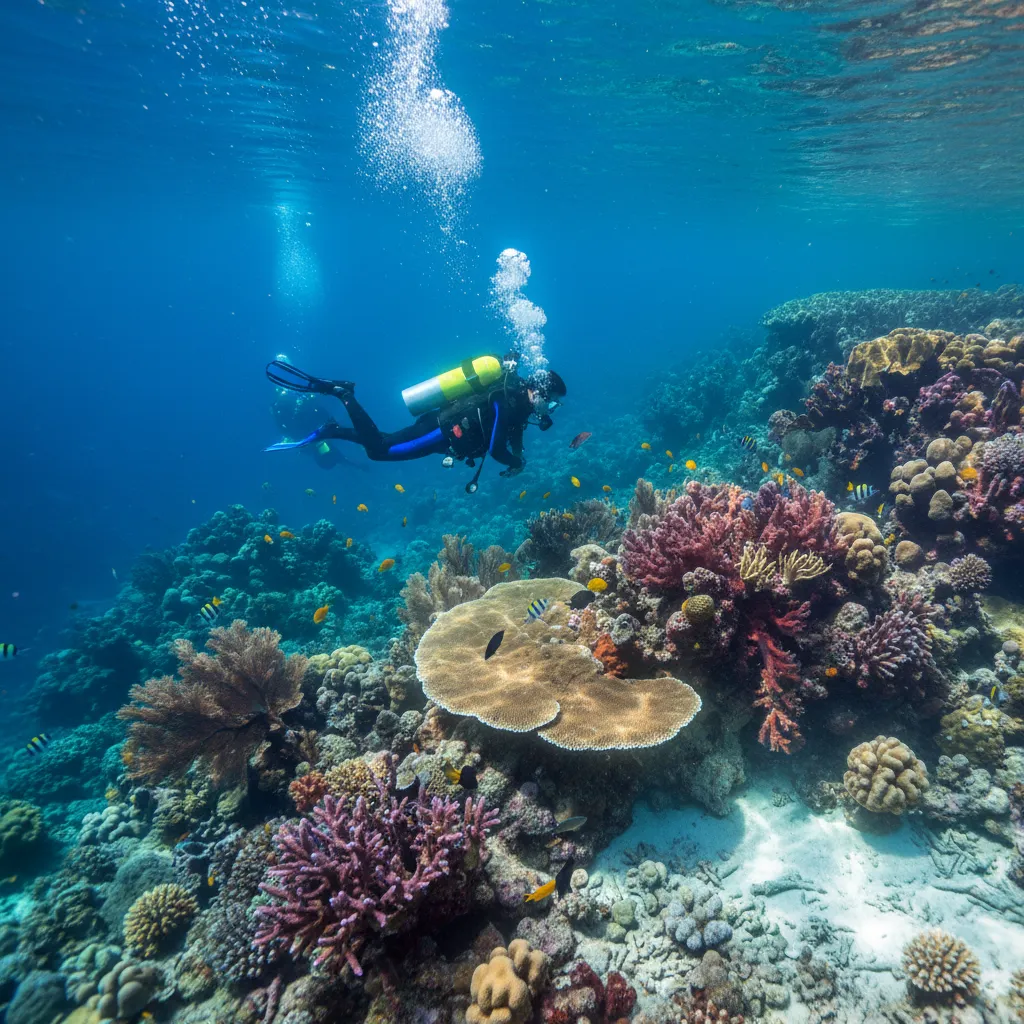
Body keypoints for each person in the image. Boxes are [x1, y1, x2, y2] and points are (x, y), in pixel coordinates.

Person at [264, 356, 566, 491]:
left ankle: (334, 430)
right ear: (537, 391)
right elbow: (498, 446)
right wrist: (516, 462)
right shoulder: (505, 397)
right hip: (441, 429)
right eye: (550, 400)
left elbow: (512, 435)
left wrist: (518, 457)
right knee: (381, 450)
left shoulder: (520, 408)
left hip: (445, 436)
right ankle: (345, 395)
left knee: (386, 440)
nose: (549, 407)